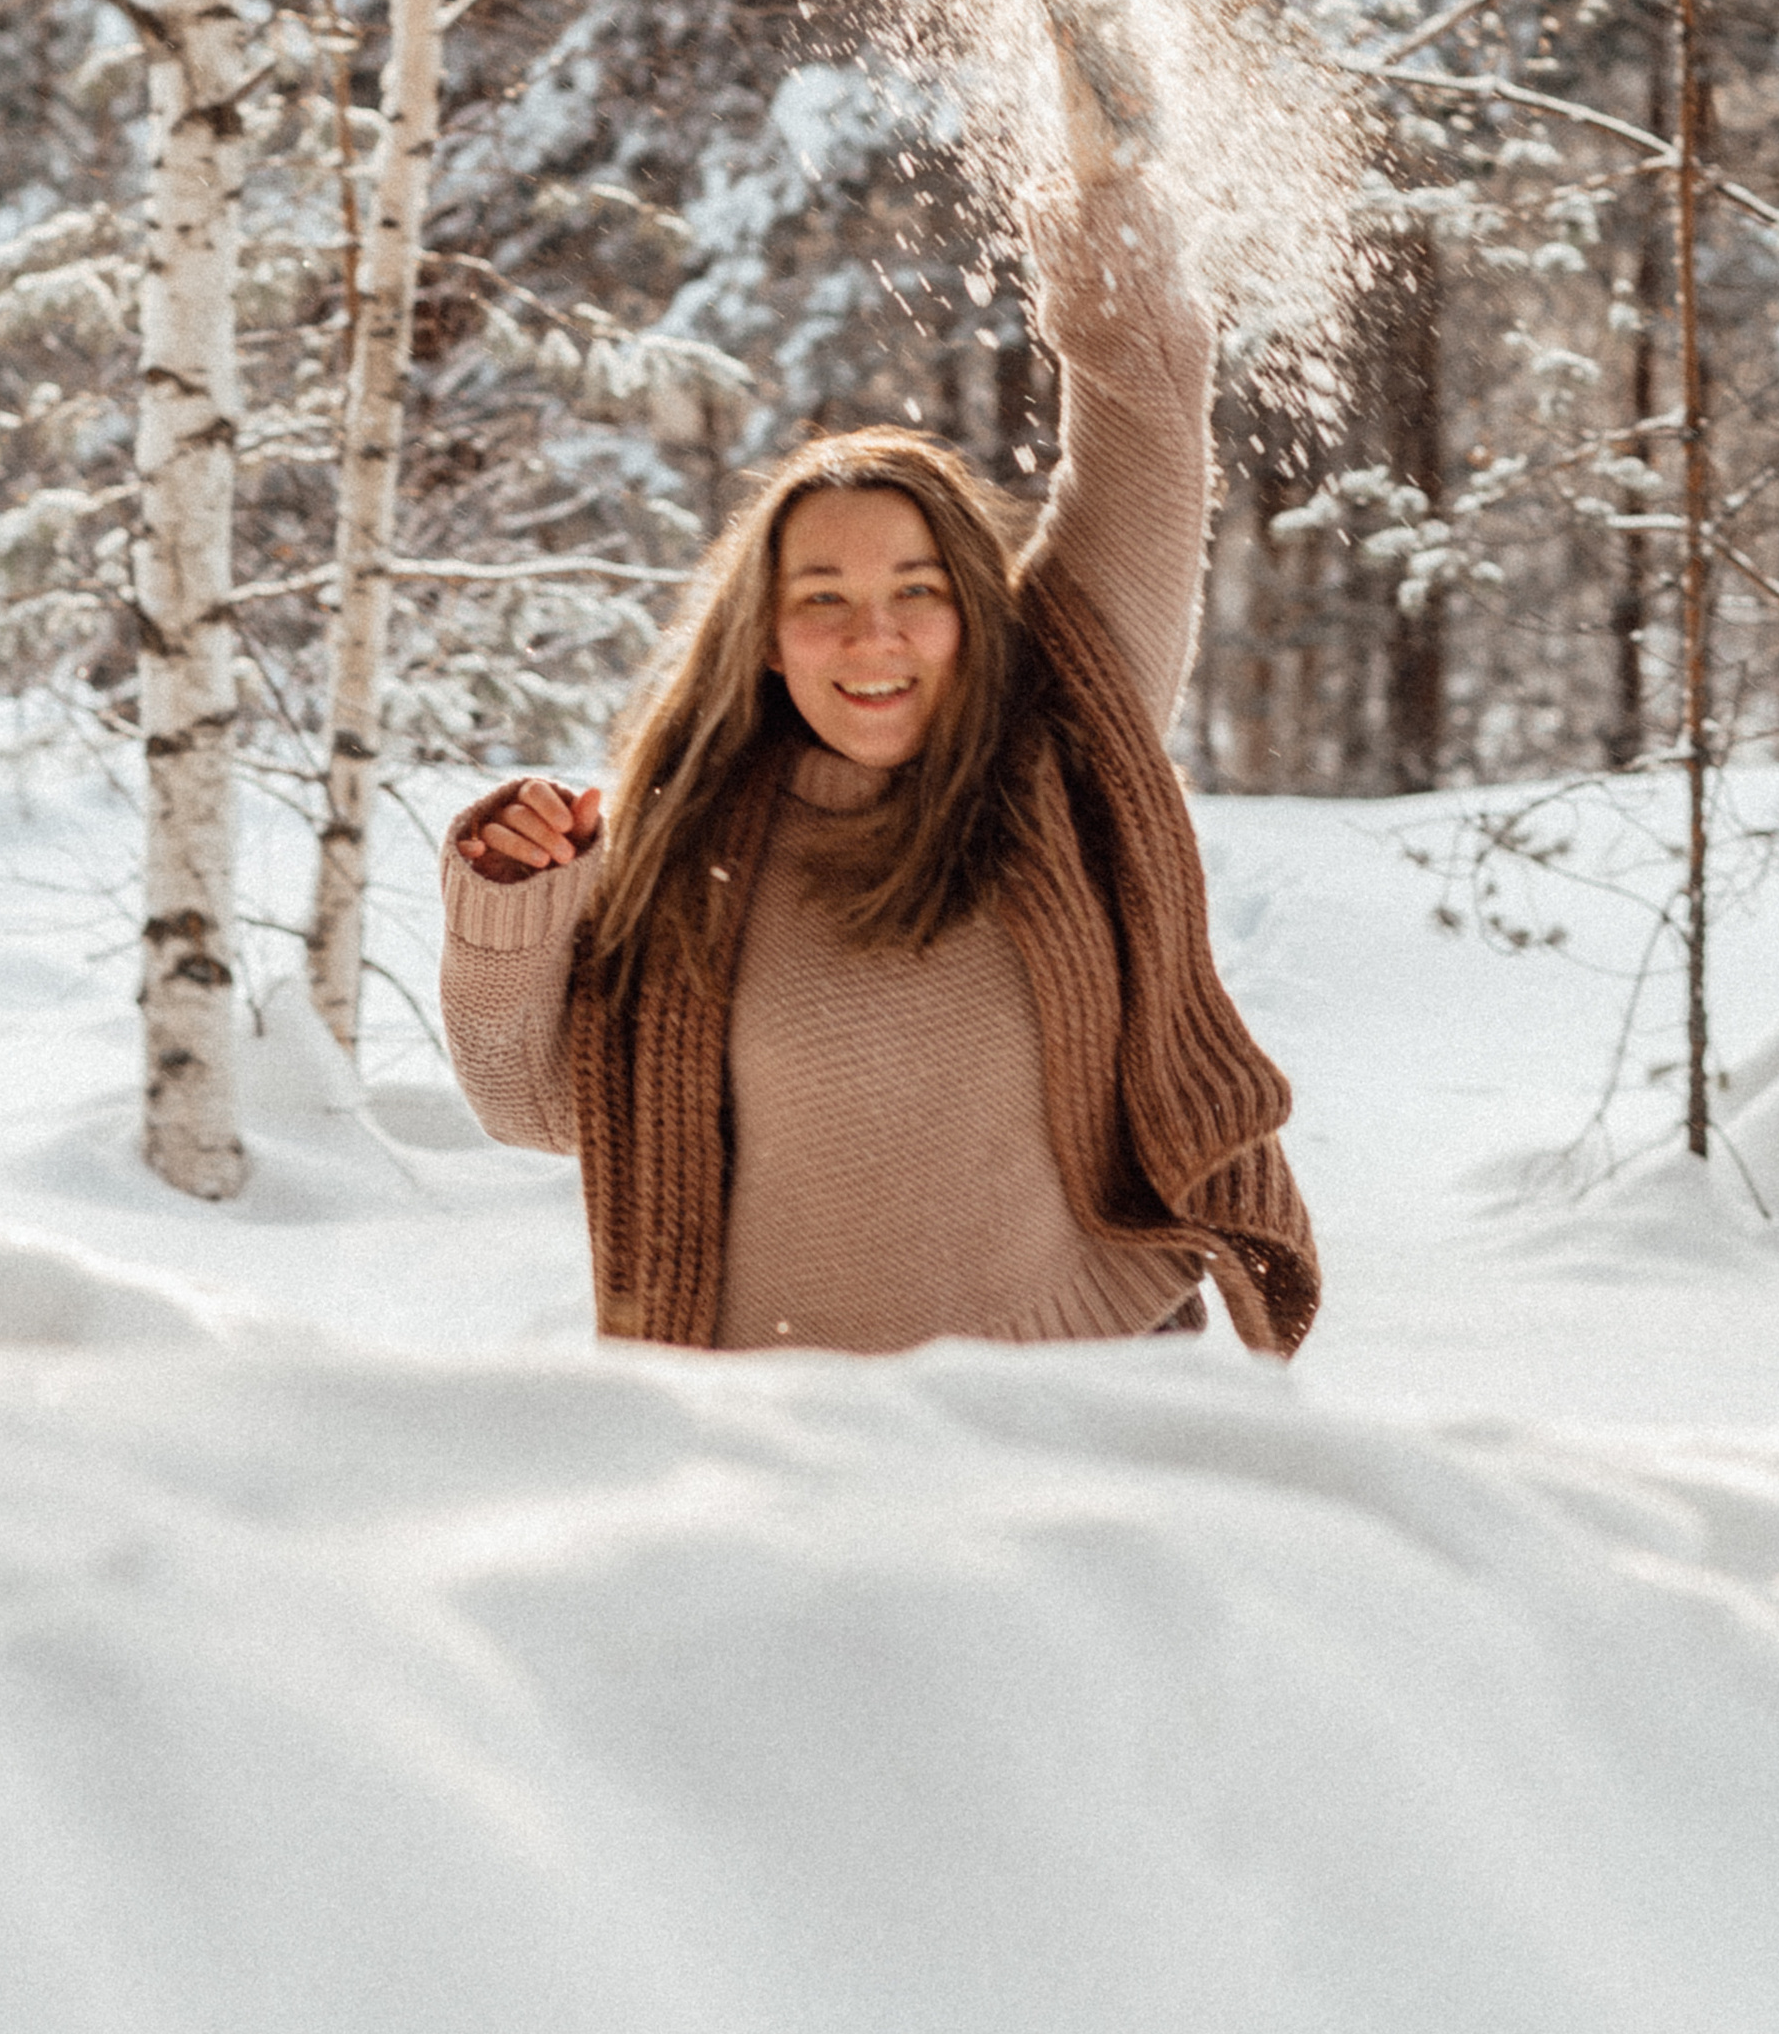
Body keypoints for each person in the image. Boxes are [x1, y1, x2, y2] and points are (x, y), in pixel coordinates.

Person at [438, 102, 1318, 1359]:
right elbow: (529, 1103)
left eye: (918, 591)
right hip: (785, 1446)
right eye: (822, 601)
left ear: (974, 606)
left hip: (1089, 1393)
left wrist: (1108, 177)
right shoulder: (687, 844)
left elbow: (1146, 430)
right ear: (763, 634)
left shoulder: (1064, 743)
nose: (874, 638)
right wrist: (514, 909)